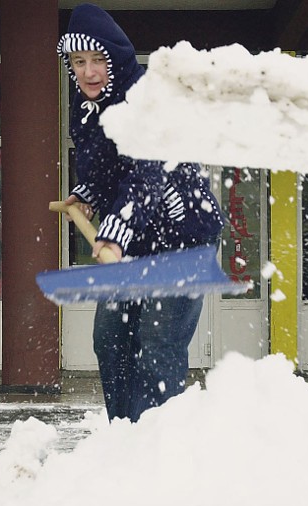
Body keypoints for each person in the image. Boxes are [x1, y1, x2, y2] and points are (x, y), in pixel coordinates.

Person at [57, 4, 224, 422]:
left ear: (115, 57)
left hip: (182, 235)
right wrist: (87, 194)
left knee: (157, 341)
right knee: (110, 337)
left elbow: (146, 175)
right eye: (79, 61)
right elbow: (104, 168)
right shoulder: (85, 106)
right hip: (135, 240)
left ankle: (156, 447)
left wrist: (113, 231)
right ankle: (125, 433)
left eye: (98, 60)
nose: (89, 71)